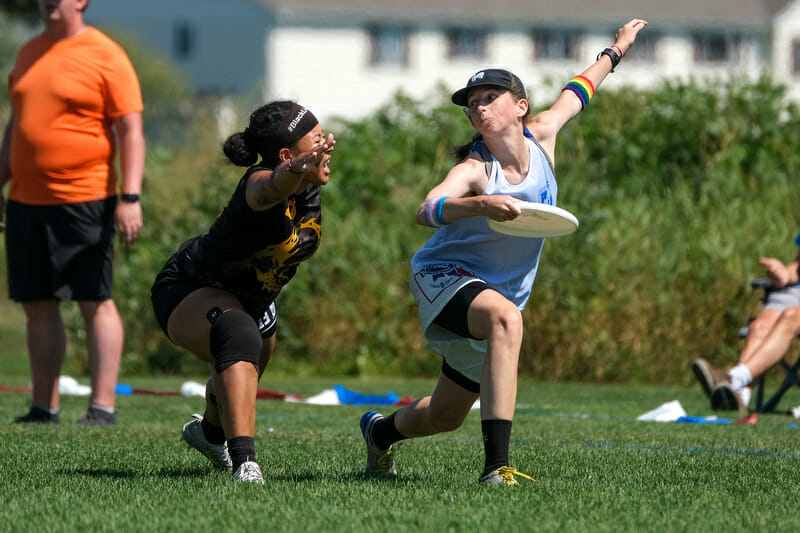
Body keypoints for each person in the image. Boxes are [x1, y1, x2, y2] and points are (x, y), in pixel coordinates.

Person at [359, 19, 648, 485]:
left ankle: (379, 432)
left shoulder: (544, 134)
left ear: (520, 106)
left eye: (488, 98)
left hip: (500, 291)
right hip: (444, 276)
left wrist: (617, 48)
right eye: (472, 104)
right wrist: (481, 204)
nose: (478, 108)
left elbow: (581, 88)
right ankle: (497, 469)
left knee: (445, 416)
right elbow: (427, 210)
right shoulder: (475, 168)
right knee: (507, 321)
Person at [150, 101, 335, 483]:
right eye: (316, 142)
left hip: (250, 300)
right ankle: (245, 464)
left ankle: (210, 434)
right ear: (287, 156)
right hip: (189, 286)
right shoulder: (260, 183)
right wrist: (291, 171)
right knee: (239, 336)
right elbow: (269, 189)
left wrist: (303, 169)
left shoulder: (310, 189)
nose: (326, 146)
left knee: (249, 354)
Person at [0, 0, 145, 425]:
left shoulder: (107, 54)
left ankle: (102, 408)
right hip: (27, 200)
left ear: (80, 0)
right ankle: (44, 407)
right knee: (37, 303)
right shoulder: (28, 51)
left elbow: (131, 130)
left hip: (85, 198)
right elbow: (17, 125)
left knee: (93, 299)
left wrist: (130, 197)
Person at [693, 237, 800, 411]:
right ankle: (741, 396)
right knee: (758, 327)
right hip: (795, 292)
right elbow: (797, 266)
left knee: (791, 315)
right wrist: (783, 273)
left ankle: (732, 379)